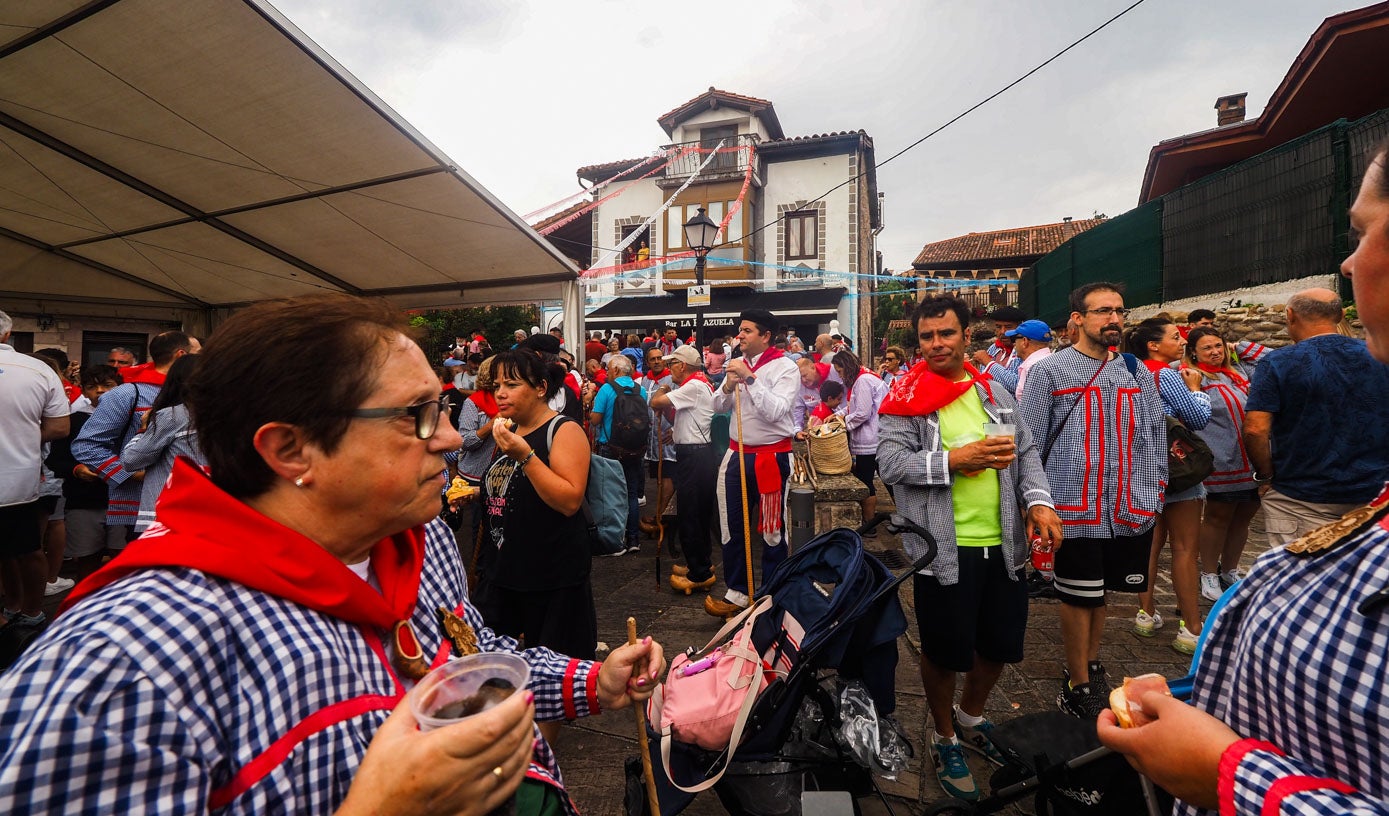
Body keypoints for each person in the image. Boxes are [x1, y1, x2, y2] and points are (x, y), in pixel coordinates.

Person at [0, 294, 666, 815]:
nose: (445, 441)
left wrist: (591, 681)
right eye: (416, 415)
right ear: (290, 451)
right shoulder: (122, 658)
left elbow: (471, 654)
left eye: (443, 407)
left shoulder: (415, 535)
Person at [1098, 136, 1389, 816]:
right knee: (1181, 544)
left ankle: (1178, 600)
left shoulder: (1260, 367)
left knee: (1195, 543)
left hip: (1270, 486)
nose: (1350, 259)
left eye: (1362, 232)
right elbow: (1206, 417)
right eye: (1176, 339)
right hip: (1217, 480)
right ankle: (1166, 603)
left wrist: (1224, 772)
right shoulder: (1183, 376)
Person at [878, 295, 1062, 802]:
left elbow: (1023, 453)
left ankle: (971, 717)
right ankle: (943, 736)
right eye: (927, 337)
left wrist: (1040, 502)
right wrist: (953, 459)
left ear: (966, 336)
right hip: (942, 548)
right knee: (943, 651)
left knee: (998, 644)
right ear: (918, 343)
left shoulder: (994, 391)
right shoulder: (904, 394)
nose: (937, 344)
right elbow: (890, 464)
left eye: (946, 334)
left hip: (1004, 544)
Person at [1018, 282, 1165, 718]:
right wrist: (1035, 501)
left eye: (1119, 310)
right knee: (1078, 596)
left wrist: (1154, 488)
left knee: (1103, 596)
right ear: (1077, 320)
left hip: (1125, 507)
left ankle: (1092, 661)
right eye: (1103, 311)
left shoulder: (1136, 371)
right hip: (1072, 509)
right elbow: (1028, 443)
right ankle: (1077, 680)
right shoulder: (1049, 372)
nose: (1114, 319)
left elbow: (1155, 433)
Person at [478, 350, 598, 671]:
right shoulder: (509, 430)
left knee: (555, 674)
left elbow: (569, 500)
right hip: (504, 572)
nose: (500, 393)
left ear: (541, 388)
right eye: (497, 385)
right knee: (492, 669)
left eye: (512, 384)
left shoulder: (563, 430)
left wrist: (526, 456)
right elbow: (511, 487)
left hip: (550, 577)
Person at [1242, 288, 1389, 547]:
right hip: (1374, 493)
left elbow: (1255, 429)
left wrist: (1265, 476)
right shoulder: (1379, 355)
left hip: (1300, 496)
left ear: (1290, 316)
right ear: (1342, 315)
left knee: (1301, 582)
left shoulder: (1277, 362)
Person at [704, 309, 800, 619]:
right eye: (740, 330)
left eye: (747, 331)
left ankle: (770, 594)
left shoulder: (786, 368)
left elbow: (777, 411)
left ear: (766, 336)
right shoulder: (737, 366)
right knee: (732, 524)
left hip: (772, 455)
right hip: (737, 454)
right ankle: (738, 592)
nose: (740, 335)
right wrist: (730, 384)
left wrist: (750, 379)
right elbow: (716, 406)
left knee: (772, 530)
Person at [1125, 318, 1211, 655]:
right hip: (1177, 471)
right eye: (1175, 337)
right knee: (1185, 549)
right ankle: (1191, 628)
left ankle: (1146, 614)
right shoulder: (1165, 375)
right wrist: (1196, 389)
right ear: (1153, 345)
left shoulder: (1128, 373)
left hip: (1142, 470)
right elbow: (1198, 417)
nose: (1182, 341)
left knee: (1150, 545)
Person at [71, 331, 198, 547]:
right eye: (199, 353)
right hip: (143, 507)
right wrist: (129, 473)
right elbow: (87, 445)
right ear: (181, 355)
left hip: (192, 505)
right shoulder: (128, 394)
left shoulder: (201, 396)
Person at [0, 311, 70, 630]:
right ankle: (30, 611)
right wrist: (25, 435)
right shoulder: (38, 368)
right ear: (8, 334)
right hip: (18, 480)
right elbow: (59, 428)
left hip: (18, 480)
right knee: (27, 548)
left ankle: (12, 605)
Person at [1183, 327, 1260, 601]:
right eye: (1207, 348)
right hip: (1222, 462)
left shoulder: (1240, 374)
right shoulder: (1191, 375)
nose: (1215, 352)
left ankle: (1230, 570)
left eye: (1219, 345)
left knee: (1243, 518)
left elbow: (1271, 359)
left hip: (1253, 460)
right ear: (1193, 352)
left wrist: (1242, 346)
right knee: (1218, 517)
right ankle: (1208, 573)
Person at [650, 346, 719, 593]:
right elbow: (677, 417)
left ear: (682, 365)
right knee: (698, 513)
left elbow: (654, 401)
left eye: (672, 365)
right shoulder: (700, 384)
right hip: (698, 454)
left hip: (695, 455)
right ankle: (700, 562)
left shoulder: (693, 386)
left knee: (690, 513)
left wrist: (662, 388)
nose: (669, 370)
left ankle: (698, 572)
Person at [44, 365, 121, 581]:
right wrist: (76, 469)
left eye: (107, 386)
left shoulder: (132, 419)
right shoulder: (74, 420)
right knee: (87, 561)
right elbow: (55, 459)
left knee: (122, 561)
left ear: (120, 388)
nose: (99, 391)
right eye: (91, 387)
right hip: (83, 501)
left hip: (122, 500)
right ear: (84, 391)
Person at [118, 354, 207, 535]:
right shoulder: (226, 418)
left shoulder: (173, 416)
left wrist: (143, 429)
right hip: (205, 513)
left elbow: (130, 460)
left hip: (164, 516)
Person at [589, 354, 645, 555]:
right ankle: (633, 539)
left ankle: (614, 541)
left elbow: (595, 420)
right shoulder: (642, 390)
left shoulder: (606, 389)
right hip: (635, 449)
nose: (607, 373)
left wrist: (590, 408)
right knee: (630, 493)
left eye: (609, 369)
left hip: (610, 447)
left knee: (610, 494)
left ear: (616, 370)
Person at [831, 349, 889, 533]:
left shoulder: (863, 381)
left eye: (840, 372)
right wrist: (838, 415)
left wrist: (842, 423)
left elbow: (862, 413)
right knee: (884, 479)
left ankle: (869, 524)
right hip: (874, 437)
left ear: (847, 368)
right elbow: (852, 407)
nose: (840, 377)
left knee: (865, 481)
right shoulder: (863, 377)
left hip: (870, 439)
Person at [639, 347, 676, 537]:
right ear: (647, 361)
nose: (657, 361)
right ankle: (660, 515)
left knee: (668, 477)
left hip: (667, 439)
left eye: (659, 358)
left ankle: (662, 517)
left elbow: (681, 405)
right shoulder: (645, 381)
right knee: (659, 479)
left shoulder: (672, 380)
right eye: (653, 359)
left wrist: (675, 428)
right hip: (653, 441)